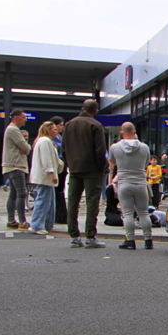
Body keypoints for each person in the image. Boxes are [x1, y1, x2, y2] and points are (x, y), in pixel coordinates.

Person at [63, 99, 108, 248]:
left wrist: (70, 164)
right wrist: (101, 168)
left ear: (82, 108)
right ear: (95, 111)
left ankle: (74, 236)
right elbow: (100, 150)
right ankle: (90, 236)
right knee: (92, 202)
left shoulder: (69, 125)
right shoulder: (95, 125)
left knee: (73, 202)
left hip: (74, 168)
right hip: (92, 169)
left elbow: (63, 149)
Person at [108, 122, 153, 250]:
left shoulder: (114, 148)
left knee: (127, 213)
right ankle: (148, 239)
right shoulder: (144, 147)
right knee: (144, 213)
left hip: (124, 182)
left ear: (121, 133)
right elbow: (145, 163)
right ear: (134, 132)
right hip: (140, 182)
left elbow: (113, 161)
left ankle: (130, 240)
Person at [28, 121, 61, 235]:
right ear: (48, 130)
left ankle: (47, 223)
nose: (56, 131)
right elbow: (46, 159)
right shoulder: (45, 141)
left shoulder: (42, 141)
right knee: (43, 200)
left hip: (43, 175)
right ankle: (36, 225)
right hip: (45, 176)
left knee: (49, 201)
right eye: (54, 129)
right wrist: (52, 173)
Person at [2, 109, 31, 230]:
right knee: (21, 193)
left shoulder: (10, 129)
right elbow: (25, 146)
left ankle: (11, 220)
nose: (25, 120)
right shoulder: (14, 129)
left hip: (11, 165)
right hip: (16, 165)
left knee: (13, 194)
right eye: (23, 117)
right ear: (15, 117)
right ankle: (22, 221)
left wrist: (24, 148)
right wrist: (27, 147)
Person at [50, 116, 68, 224]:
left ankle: (60, 214)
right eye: (60, 125)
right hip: (56, 165)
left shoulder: (60, 137)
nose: (62, 127)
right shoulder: (51, 140)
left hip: (62, 164)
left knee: (61, 190)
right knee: (56, 190)